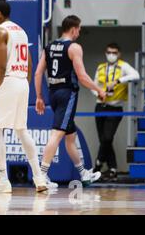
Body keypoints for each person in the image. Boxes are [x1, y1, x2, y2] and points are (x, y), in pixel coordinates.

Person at [0, 1, 47, 193]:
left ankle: (2, 180)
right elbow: (30, 62)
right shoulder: (21, 31)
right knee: (22, 130)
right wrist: (24, 82)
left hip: (5, 81)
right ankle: (39, 178)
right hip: (22, 81)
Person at [35, 15, 105, 188]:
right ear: (73, 29)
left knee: (70, 137)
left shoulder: (49, 47)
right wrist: (98, 89)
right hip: (68, 94)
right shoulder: (74, 47)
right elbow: (82, 76)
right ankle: (41, 175)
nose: (79, 33)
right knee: (57, 134)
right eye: (79, 29)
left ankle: (83, 173)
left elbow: (38, 73)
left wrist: (38, 97)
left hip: (53, 93)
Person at [93, 43, 139, 181]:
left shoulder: (123, 66)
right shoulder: (101, 67)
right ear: (105, 53)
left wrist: (118, 81)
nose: (111, 55)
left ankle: (98, 164)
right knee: (105, 140)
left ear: (118, 54)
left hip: (115, 107)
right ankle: (112, 169)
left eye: (114, 52)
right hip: (100, 106)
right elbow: (94, 84)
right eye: (109, 52)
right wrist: (98, 93)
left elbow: (136, 75)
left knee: (107, 138)